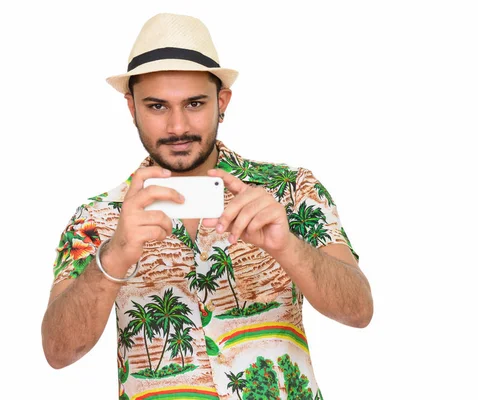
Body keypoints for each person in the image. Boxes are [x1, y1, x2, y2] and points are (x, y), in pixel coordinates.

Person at [41, 13, 373, 400]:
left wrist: (288, 247)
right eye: (157, 106)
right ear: (132, 108)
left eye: (195, 103)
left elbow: (359, 311)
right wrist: (114, 257)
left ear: (222, 101)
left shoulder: (291, 190)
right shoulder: (96, 218)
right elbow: (58, 352)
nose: (178, 126)